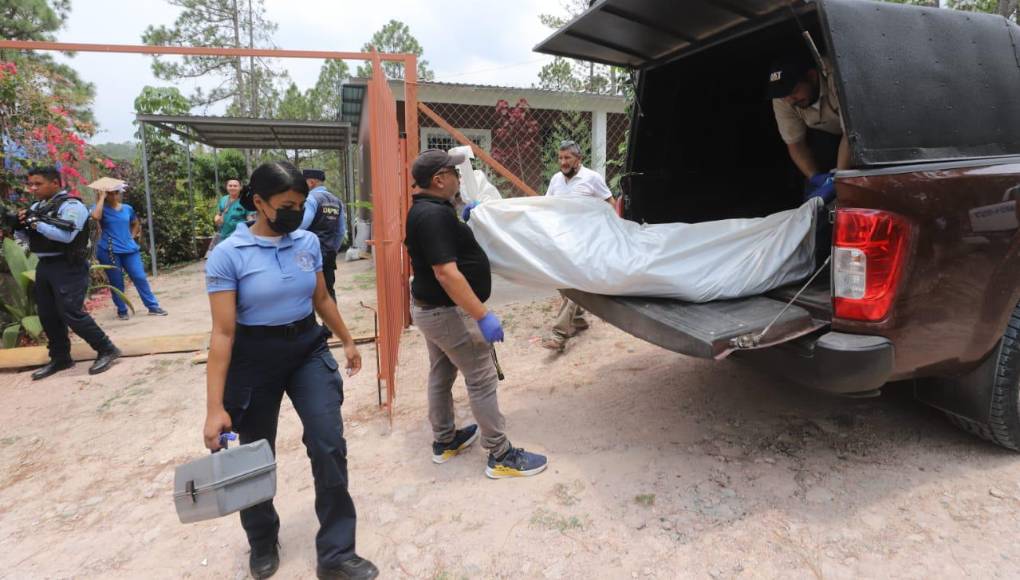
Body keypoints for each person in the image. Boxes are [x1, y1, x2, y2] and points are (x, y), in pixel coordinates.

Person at [203, 161, 377, 580]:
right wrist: (213, 408)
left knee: (328, 441)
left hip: (306, 349)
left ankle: (337, 552)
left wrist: (348, 340)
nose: (296, 212)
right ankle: (262, 538)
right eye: (287, 205)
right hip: (254, 357)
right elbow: (223, 334)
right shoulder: (228, 255)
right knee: (254, 454)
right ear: (259, 202)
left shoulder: (306, 243)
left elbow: (321, 297)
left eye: (300, 204)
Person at [406, 148, 548, 479]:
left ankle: (445, 440)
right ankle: (500, 454)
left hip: (430, 310)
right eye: (455, 174)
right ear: (439, 180)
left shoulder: (427, 210)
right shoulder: (433, 216)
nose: (459, 178)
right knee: (481, 377)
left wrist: (461, 217)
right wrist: (482, 315)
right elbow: (447, 273)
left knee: (442, 372)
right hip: (447, 313)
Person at [19, 167, 121, 380]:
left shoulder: (72, 206)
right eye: (31, 184)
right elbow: (30, 240)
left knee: (71, 312)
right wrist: (20, 226)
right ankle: (60, 358)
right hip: (45, 265)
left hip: (69, 265)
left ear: (55, 183)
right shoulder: (37, 207)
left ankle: (107, 348)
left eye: (38, 183)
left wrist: (35, 223)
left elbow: (66, 237)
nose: (33, 188)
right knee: (48, 314)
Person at [540, 140, 614, 353]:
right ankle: (579, 318)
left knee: (574, 281)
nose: (562, 162)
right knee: (562, 281)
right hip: (562, 240)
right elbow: (546, 205)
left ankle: (559, 334)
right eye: (560, 158)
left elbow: (609, 203)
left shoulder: (592, 178)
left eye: (567, 158)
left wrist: (610, 231)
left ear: (578, 159)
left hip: (585, 242)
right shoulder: (556, 180)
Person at [768, 54, 850, 202]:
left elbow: (851, 134)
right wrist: (816, 177)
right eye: (784, 95)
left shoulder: (838, 75)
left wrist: (840, 179)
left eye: (794, 91)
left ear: (812, 76)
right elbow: (795, 143)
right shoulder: (784, 98)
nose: (790, 100)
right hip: (826, 134)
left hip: (859, 129)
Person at [89, 178, 168, 320]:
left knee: (140, 277)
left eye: (116, 193)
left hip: (129, 249)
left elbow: (135, 222)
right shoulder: (99, 208)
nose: (113, 196)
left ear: (119, 193)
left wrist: (131, 237)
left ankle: (153, 306)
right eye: (110, 193)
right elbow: (96, 216)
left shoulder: (127, 208)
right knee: (117, 282)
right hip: (109, 250)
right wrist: (101, 198)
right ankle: (122, 310)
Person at [299, 169, 345, 302]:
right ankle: (329, 323)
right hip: (329, 254)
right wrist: (332, 250)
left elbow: (302, 225)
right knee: (328, 291)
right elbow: (341, 231)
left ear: (311, 182)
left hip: (309, 255)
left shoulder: (311, 199)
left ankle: (310, 323)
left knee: (307, 292)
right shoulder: (337, 201)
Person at [214, 178, 248, 244]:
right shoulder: (223, 199)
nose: (232, 188)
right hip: (223, 236)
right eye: (230, 185)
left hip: (240, 238)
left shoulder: (245, 201)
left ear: (240, 187)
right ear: (227, 187)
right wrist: (216, 218)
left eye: (235, 186)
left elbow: (251, 219)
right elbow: (219, 213)